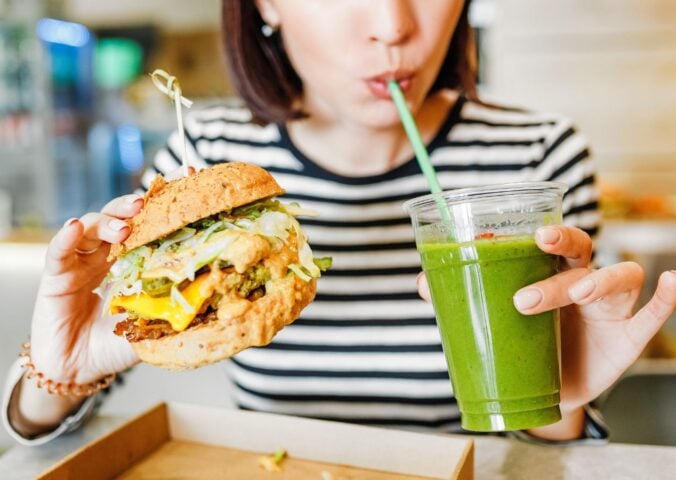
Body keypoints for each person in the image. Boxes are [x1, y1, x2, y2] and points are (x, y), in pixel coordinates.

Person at [4, 0, 675, 446]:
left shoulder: (536, 160)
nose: (392, 24)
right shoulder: (203, 160)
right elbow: (40, 434)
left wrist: (559, 396)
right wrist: (60, 371)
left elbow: (548, 444)